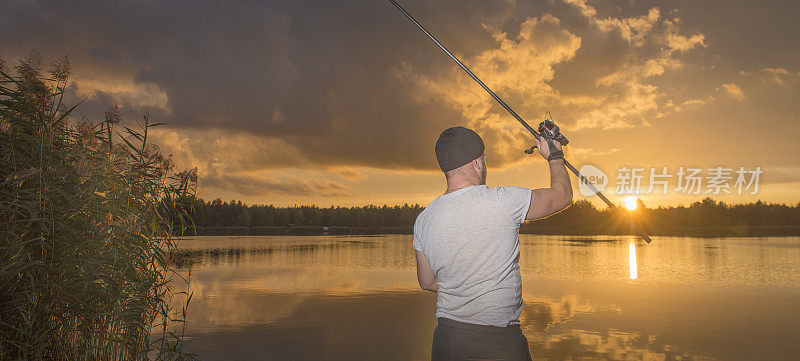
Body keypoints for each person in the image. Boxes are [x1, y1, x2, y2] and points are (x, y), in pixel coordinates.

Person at [413, 126, 573, 361]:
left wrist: (463, 285)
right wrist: (555, 156)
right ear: (477, 163)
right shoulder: (504, 201)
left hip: (446, 340)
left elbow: (426, 282)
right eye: (484, 159)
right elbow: (563, 196)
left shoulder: (424, 219)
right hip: (497, 343)